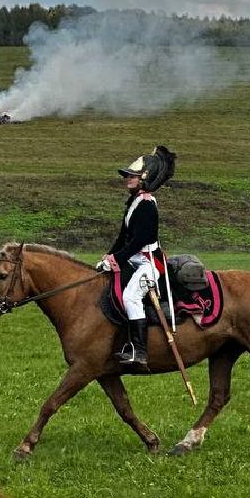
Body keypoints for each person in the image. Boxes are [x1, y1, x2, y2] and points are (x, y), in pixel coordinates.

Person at [96, 145, 176, 368]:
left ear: (144, 178)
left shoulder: (147, 205)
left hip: (150, 262)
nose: (127, 179)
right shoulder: (134, 202)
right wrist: (109, 256)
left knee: (131, 296)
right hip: (134, 259)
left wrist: (117, 260)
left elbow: (139, 241)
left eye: (132, 176)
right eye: (127, 176)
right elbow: (123, 237)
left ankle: (139, 351)